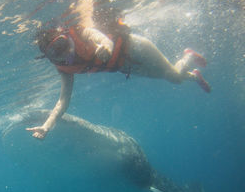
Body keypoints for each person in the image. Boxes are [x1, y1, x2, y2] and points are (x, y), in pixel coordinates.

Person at [26, 14, 211, 140]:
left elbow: (104, 40)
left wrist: (106, 48)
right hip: (126, 66)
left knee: (174, 77)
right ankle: (195, 76)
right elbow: (62, 101)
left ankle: (190, 56)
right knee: (167, 76)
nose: (66, 53)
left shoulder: (81, 33)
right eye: (56, 53)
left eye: (63, 44)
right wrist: (46, 126)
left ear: (65, 36)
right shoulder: (64, 69)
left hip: (137, 48)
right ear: (50, 58)